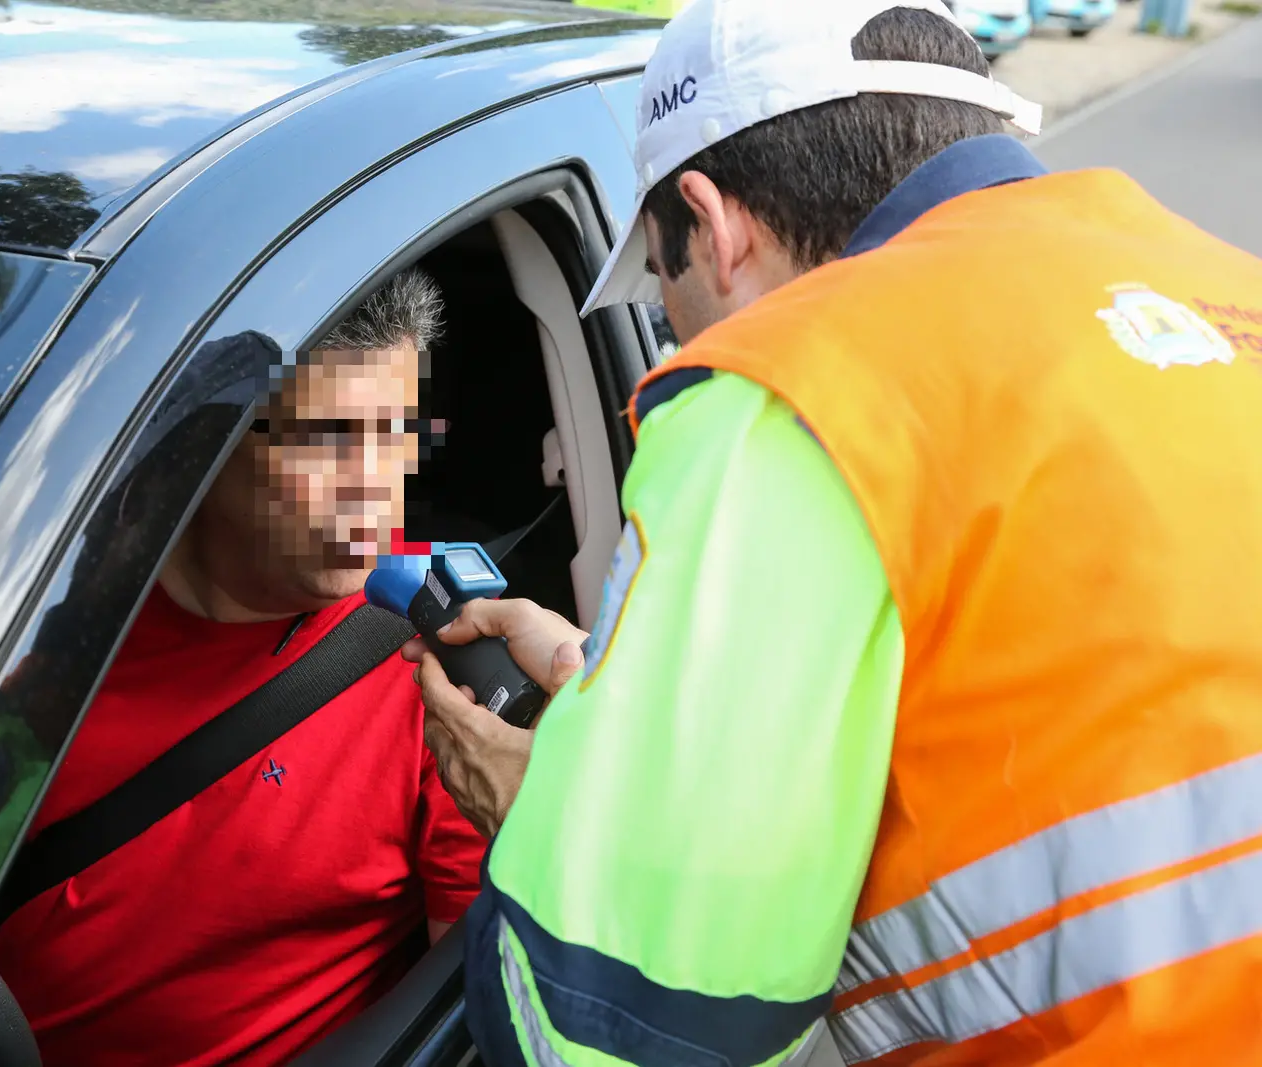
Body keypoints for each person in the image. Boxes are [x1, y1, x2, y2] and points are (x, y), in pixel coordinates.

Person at [405, 1, 1262, 1065]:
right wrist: (622, 707)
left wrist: (546, 818)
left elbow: (615, 1032)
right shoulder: (1222, 289)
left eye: (665, 300)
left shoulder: (790, 392)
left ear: (713, 223)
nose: (672, 334)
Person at [0, 269, 488, 1067]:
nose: (377, 488)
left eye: (398, 432)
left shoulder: (446, 651)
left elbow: (477, 1010)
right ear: (202, 451)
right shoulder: (18, 634)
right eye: (327, 437)